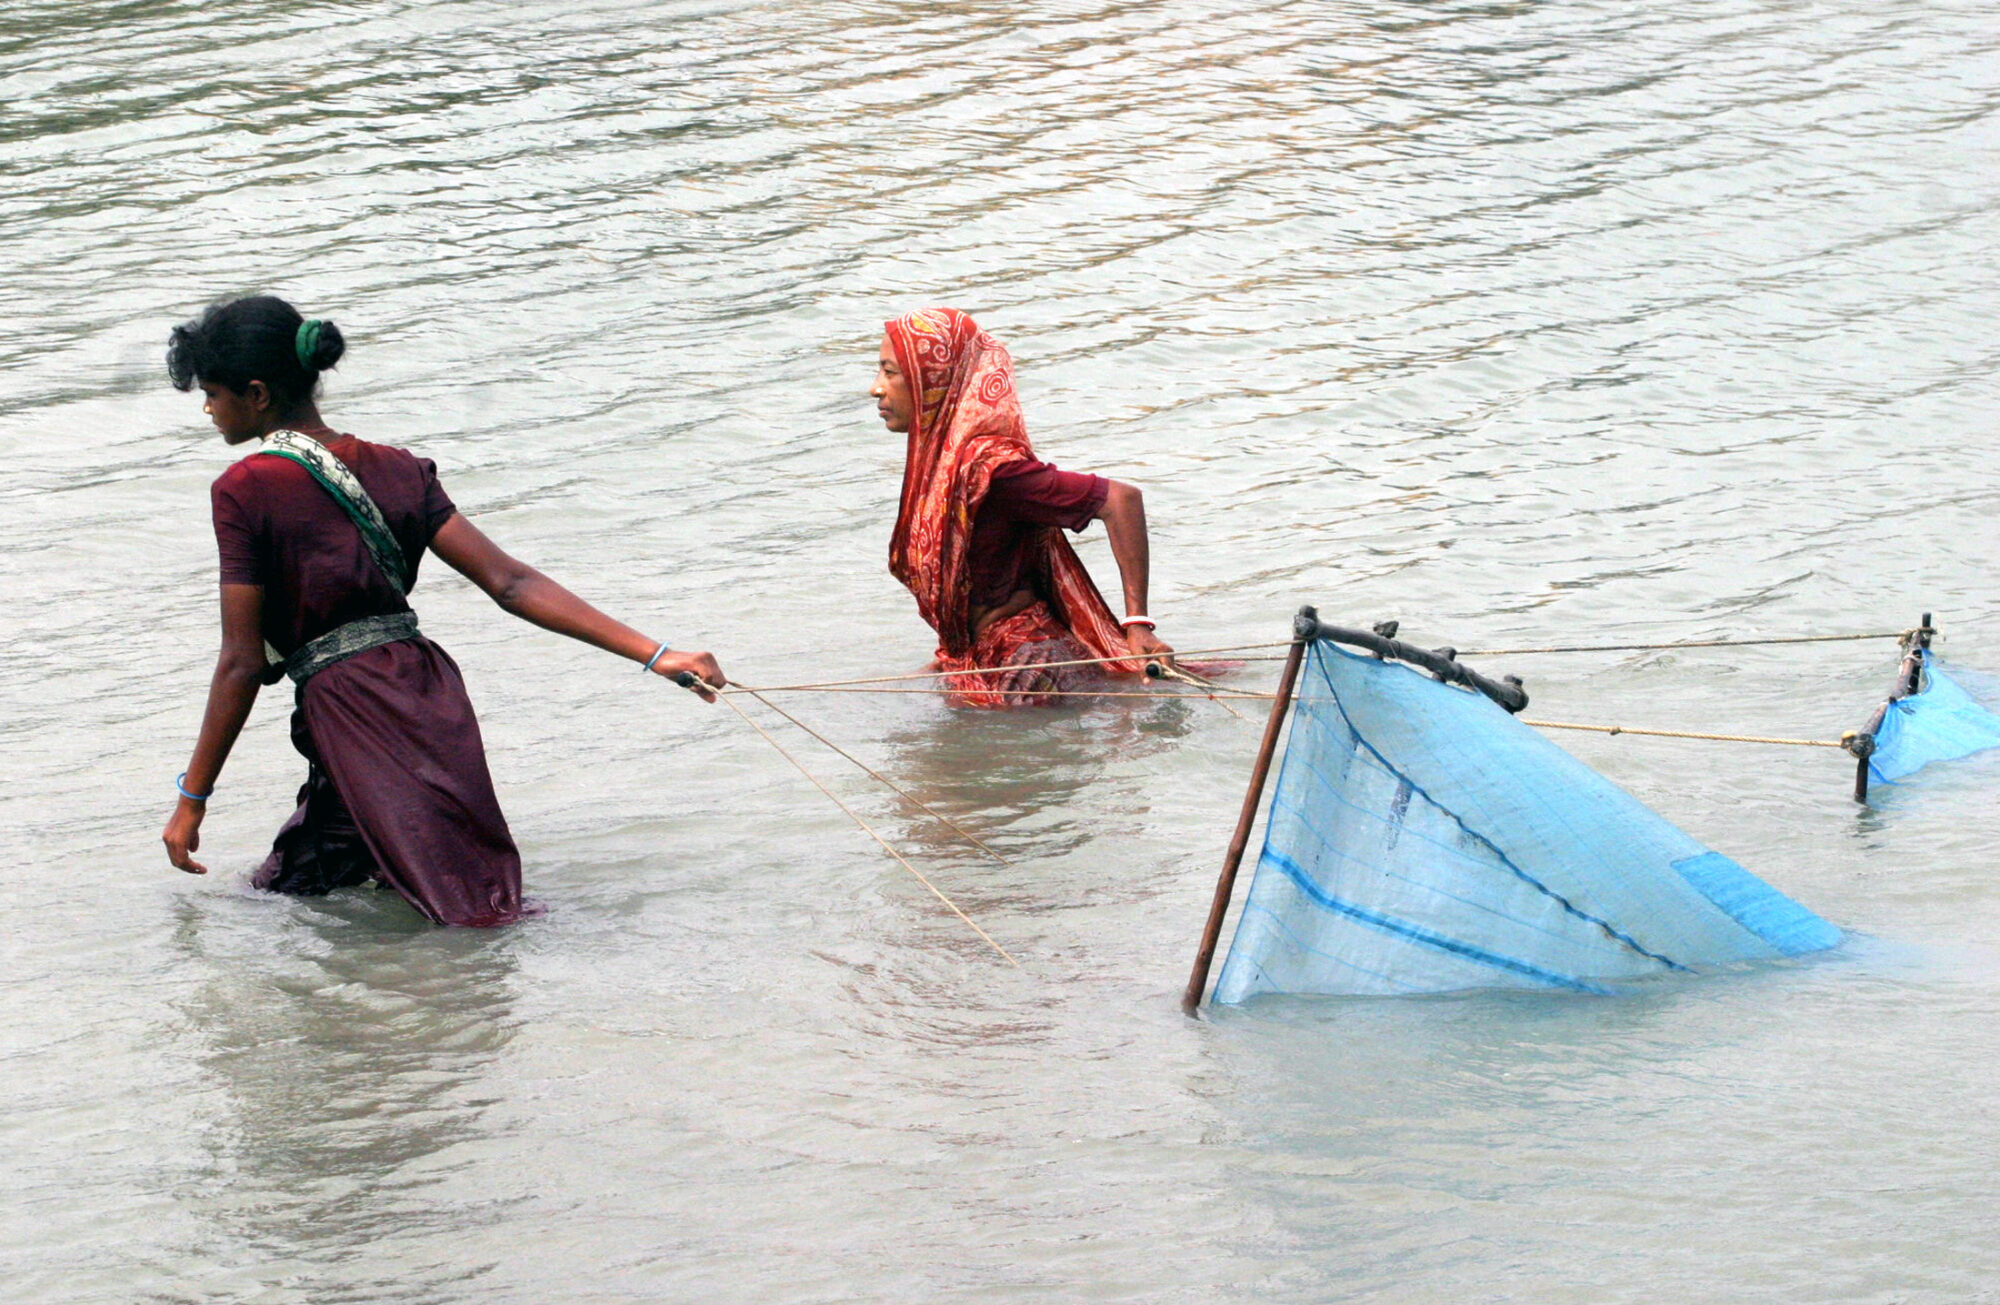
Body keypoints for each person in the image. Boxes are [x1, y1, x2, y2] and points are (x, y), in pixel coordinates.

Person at [160, 294, 724, 926]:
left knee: (467, 913)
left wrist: (193, 798)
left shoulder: (244, 488)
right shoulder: (400, 468)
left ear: (257, 393)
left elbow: (240, 662)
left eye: (211, 393)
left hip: (355, 710)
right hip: (427, 692)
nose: (208, 409)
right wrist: (654, 653)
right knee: (311, 885)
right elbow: (510, 582)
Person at [870, 307, 1174, 707]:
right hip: (980, 657)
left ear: (934, 381)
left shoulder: (992, 472)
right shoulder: (941, 464)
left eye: (890, 372)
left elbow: (1121, 500)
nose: (876, 388)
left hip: (1029, 666)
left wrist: (1137, 625)